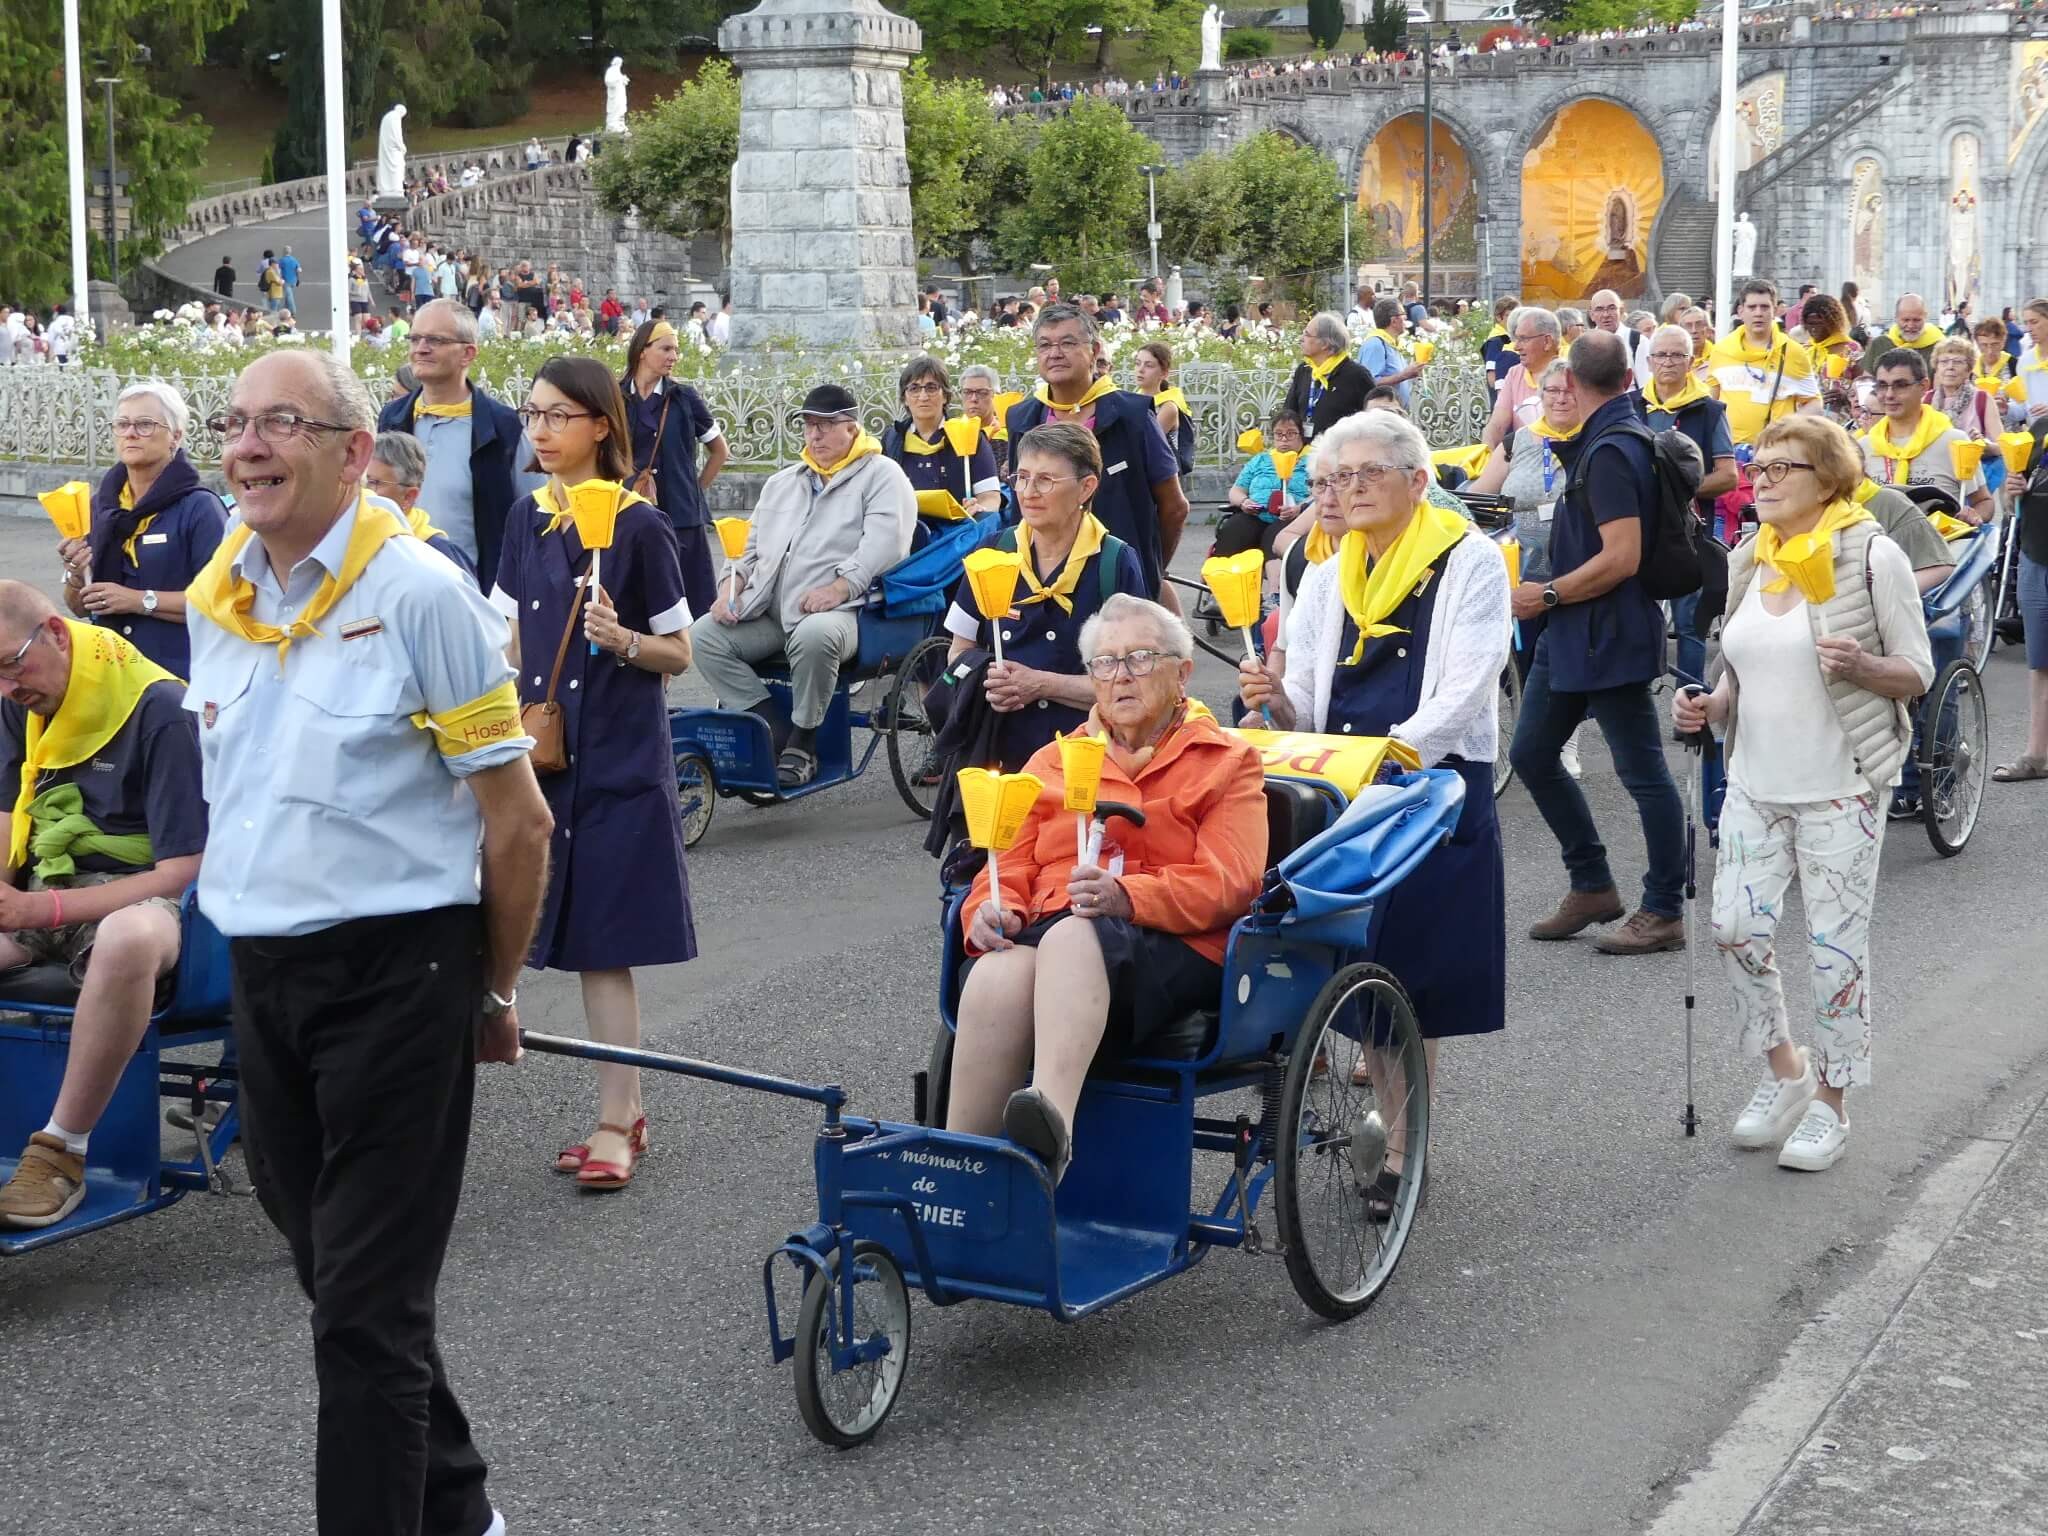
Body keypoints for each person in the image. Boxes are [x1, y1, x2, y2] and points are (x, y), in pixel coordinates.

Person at [186, 348, 552, 1535]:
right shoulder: (220, 592)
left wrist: (490, 993)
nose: (246, 445)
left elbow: (518, 822)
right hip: (266, 974)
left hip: (404, 972)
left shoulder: (421, 594)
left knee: (363, 1312)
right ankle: (459, 1511)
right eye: (234, 422)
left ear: (352, 452)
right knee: (334, 1281)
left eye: (280, 424)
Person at [1237, 409, 1509, 1195]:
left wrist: (1397, 756)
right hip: (1346, 787)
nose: (1348, 490)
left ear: (1417, 482)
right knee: (1352, 967)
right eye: (1336, 477)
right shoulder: (1328, 570)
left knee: (1412, 980)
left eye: (1367, 474)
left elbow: (1467, 685)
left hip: (1428, 787)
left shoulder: (1469, 560)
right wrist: (1274, 699)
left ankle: (1402, 1148)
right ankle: (1389, 1128)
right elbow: (1303, 703)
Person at [1675, 416, 1931, 1172]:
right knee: (1733, 929)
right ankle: (1786, 1070)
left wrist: (1860, 665)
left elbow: (1914, 672)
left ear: (1829, 479)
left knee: (1834, 952)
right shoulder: (1753, 555)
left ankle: (1833, 1102)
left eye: (1784, 468)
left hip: (1840, 786)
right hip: (1755, 782)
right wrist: (1709, 704)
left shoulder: (1871, 555)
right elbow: (1736, 669)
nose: (1764, 479)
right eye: (1760, 465)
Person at [945, 595, 1267, 1181]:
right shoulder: (1051, 760)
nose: (1120, 676)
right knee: (999, 967)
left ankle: (1050, 1136)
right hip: (1052, 931)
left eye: (1141, 659)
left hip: (1167, 946)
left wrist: (1129, 897)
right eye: (1104, 663)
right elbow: (1005, 861)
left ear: (1182, 673)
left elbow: (1231, 882)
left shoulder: (1227, 761)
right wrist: (993, 909)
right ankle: (963, 1166)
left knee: (1073, 936)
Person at [489, 357, 696, 1192]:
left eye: (558, 417)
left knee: (606, 948)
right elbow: (503, 643)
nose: (539, 431)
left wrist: (623, 641)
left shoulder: (644, 528)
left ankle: (620, 1117)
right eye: (532, 415)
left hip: (617, 757)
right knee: (515, 936)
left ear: (602, 426)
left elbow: (679, 652)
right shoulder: (524, 519)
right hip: (535, 760)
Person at [0, 584, 206, 1228]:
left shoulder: (163, 708)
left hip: (152, 899)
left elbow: (184, 870)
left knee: (127, 939)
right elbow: (8, 815)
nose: (7, 688)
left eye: (11, 664)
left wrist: (45, 911)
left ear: (57, 634)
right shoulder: (20, 701)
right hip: (53, 890)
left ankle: (61, 1150)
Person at [1507, 331, 1686, 955]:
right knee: (1530, 754)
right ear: (1630, 377)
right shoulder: (1612, 434)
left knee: (1644, 775)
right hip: (1573, 634)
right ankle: (1592, 886)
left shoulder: (1612, 448)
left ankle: (1663, 908)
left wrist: (1546, 594)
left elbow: (1623, 557)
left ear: (1576, 385)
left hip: (1605, 635)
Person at [691, 384, 915, 787]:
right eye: (810, 426)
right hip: (771, 608)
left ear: (852, 428)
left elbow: (886, 544)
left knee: (816, 635)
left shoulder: (882, 475)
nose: (816, 436)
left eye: (827, 426)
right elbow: (748, 546)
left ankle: (803, 741)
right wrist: (731, 587)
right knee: (703, 635)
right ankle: (772, 727)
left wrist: (841, 587)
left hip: (846, 611)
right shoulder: (784, 481)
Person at [940, 423, 1149, 771]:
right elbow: (958, 650)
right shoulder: (994, 551)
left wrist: (1041, 685)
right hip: (999, 754)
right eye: (1021, 477)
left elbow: (1134, 682)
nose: (1028, 492)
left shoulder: (1114, 562)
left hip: (1089, 757)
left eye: (1046, 480)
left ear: (1086, 488)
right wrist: (985, 680)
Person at [1005, 304, 1187, 599]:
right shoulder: (1023, 419)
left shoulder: (1132, 416)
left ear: (1095, 349)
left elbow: (1175, 507)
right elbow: (1020, 502)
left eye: (1068, 343)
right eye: (1045, 345)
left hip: (1116, 584)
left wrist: (1149, 570)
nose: (1055, 353)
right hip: (1042, 586)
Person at [56, 381, 228, 678]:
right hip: (111, 675)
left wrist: (139, 600)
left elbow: (223, 604)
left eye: (145, 424)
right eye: (122, 424)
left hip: (179, 679)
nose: (130, 433)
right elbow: (80, 608)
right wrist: (75, 573)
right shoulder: (101, 507)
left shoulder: (200, 508)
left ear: (176, 436)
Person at [376, 298, 541, 593]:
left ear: (468, 353)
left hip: (476, 595)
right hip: (397, 589)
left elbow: (534, 518)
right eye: (415, 338)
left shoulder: (503, 428)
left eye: (435, 340)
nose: (421, 348)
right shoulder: (392, 418)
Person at [1639, 323, 1738, 682]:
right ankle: (1638, 699)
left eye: (1677, 355)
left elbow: (1729, 476)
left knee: (1689, 623)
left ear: (1691, 361)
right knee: (1637, 619)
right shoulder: (1633, 406)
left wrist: (1679, 490)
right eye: (1661, 355)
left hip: (1688, 532)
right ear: (1649, 361)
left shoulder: (1709, 411)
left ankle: (1691, 707)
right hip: (1639, 530)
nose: (1668, 362)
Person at [621, 319, 729, 617]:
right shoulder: (616, 397)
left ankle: (682, 657)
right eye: (666, 348)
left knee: (689, 600)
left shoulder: (685, 398)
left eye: (676, 350)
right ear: (643, 351)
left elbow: (720, 451)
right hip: (630, 509)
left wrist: (694, 490)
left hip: (681, 515)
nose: (674, 356)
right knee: (637, 595)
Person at [1860, 348, 1992, 521]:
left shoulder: (1955, 442)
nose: (1890, 395)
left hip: (1941, 544)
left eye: (1901, 385)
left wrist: (1974, 516)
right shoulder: (1863, 447)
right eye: (1882, 385)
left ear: (1923, 386)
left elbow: (1984, 501)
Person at [881, 354, 1002, 532]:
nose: (923, 396)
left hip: (957, 535)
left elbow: (990, 497)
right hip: (905, 534)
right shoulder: (892, 439)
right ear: (905, 398)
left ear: (945, 395)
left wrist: (979, 508)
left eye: (931, 388)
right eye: (914, 388)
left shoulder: (969, 435)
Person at [1708, 279, 1820, 446]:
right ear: (1741, 311)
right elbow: (1711, 401)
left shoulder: (1793, 352)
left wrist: (1786, 427)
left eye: (1765, 307)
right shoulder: (1721, 350)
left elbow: (1815, 403)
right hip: (1729, 452)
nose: (1758, 313)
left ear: (1774, 311)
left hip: (1775, 451)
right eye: (1752, 307)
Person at [364, 432, 479, 579]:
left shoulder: (439, 555)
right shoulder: (349, 543)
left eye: (374, 483)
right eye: (360, 482)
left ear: (408, 497)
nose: (364, 492)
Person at [1215, 409, 1312, 560]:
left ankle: (1275, 582)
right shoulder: (1261, 460)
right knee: (1233, 529)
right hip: (1256, 515)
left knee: (1275, 537)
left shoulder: (1312, 462)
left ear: (1301, 436)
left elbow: (1319, 494)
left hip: (1291, 518)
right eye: (1279, 434)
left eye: (1291, 433)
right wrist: (1243, 502)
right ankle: (1219, 576)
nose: (1284, 439)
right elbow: (1236, 490)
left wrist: (1300, 508)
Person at [1283, 311, 1375, 441]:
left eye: (1307, 335)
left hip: (1340, 453)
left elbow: (1372, 418)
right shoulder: (1304, 370)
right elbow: (1289, 412)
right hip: (1304, 454)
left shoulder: (1356, 375)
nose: (1301, 339)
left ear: (1325, 343)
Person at [1483, 306, 1561, 450]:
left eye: (1523, 339)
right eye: (1516, 339)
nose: (1516, 347)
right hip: (1522, 462)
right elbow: (1496, 425)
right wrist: (1488, 452)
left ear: (1547, 342)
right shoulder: (1514, 374)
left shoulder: (1570, 375)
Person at [1132, 340, 1195, 476]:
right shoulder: (1134, 398)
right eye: (1137, 363)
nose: (1140, 369)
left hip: (1161, 477)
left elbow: (1144, 442)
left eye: (1149, 365)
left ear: (1164, 373)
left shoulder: (1168, 406)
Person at [1927, 337, 1998, 445]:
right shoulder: (1926, 400)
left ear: (1969, 369)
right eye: (1944, 361)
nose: (1950, 367)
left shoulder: (1982, 399)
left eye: (1957, 362)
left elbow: (2001, 446)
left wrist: (1983, 445)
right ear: (1936, 368)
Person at [1357, 297, 1424, 412]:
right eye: (1403, 314)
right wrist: (1404, 375)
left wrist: (1413, 372)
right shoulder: (1375, 344)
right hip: (1381, 414)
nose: (1406, 317)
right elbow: (1370, 382)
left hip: (1394, 412)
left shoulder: (1391, 343)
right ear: (1393, 320)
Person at [957, 364, 1011, 480]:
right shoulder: (952, 434)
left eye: (982, 392)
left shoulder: (1008, 436)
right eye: (967, 392)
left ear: (995, 395)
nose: (973, 399)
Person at [1873, 292, 1941, 371]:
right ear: (1896, 318)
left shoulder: (1939, 347)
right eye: (1905, 320)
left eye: (1916, 320)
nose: (1911, 325)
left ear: (1925, 317)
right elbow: (1866, 380)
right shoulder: (1880, 344)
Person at [1480, 295, 1520, 399]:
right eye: (1510, 316)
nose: (1515, 320)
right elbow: (1491, 378)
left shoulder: (1513, 337)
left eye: (1518, 316)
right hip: (1504, 397)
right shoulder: (1495, 340)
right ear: (1499, 317)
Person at [278, 246, 301, 315]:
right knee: (288, 296)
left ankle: (293, 312)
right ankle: (285, 310)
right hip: (293, 281)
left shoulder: (282, 260)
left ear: (284, 252)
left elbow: (278, 270)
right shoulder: (294, 260)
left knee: (289, 297)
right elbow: (299, 270)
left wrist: (279, 278)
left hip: (286, 281)